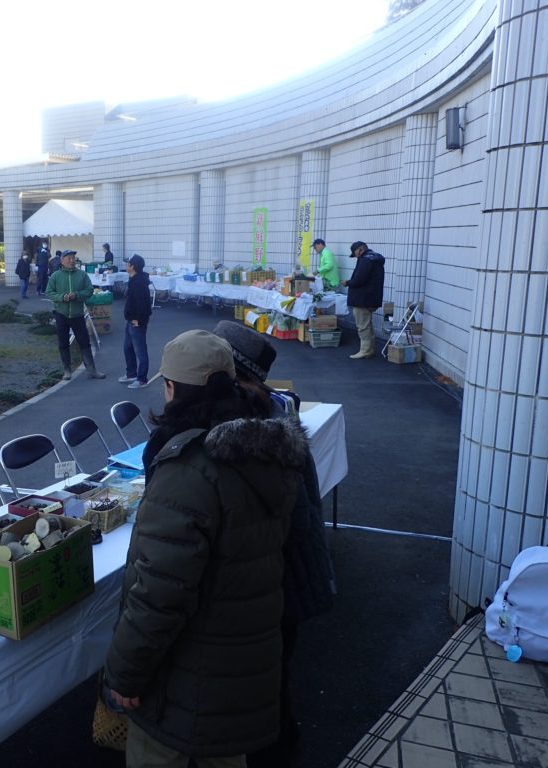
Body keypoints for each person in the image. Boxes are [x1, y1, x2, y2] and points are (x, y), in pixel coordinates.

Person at [105, 329, 308, 768]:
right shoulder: (264, 449)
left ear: (171, 388)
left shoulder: (188, 468)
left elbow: (159, 596)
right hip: (242, 661)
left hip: (187, 673)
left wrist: (125, 674)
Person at [212, 320, 336, 768]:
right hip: (289, 576)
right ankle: (278, 742)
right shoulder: (278, 413)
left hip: (273, 581)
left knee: (260, 681)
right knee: (273, 673)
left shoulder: (246, 433)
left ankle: (271, 748)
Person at [45, 250, 105, 380]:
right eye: (69, 258)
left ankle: (92, 370)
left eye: (73, 258)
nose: (72, 261)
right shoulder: (56, 276)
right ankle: (67, 370)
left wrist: (77, 295)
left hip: (78, 314)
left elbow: (89, 290)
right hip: (61, 314)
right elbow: (49, 292)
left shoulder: (82, 275)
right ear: (62, 261)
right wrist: (62, 297)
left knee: (85, 342)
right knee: (63, 343)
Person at [341, 240, 385, 359]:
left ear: (360, 250)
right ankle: (370, 349)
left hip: (362, 298)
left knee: (363, 326)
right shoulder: (375, 259)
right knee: (367, 324)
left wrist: (347, 283)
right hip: (372, 297)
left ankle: (365, 350)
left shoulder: (365, 260)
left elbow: (358, 280)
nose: (356, 257)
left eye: (355, 254)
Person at [119, 254, 151, 388]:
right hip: (131, 319)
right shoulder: (134, 279)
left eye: (128, 263)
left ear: (132, 267)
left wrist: (139, 319)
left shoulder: (138, 283)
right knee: (128, 347)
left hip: (136, 321)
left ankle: (142, 379)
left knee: (140, 350)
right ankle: (131, 373)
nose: (126, 265)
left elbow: (143, 304)